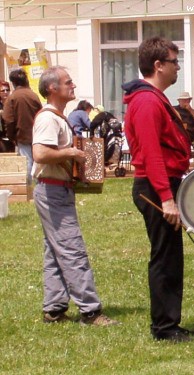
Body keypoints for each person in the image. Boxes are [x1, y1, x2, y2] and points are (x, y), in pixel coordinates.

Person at [32, 66, 119, 326]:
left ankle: (54, 308)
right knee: (72, 249)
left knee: (55, 250)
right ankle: (90, 312)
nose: (73, 86)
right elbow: (40, 154)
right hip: (52, 189)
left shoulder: (59, 117)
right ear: (52, 88)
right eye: (68, 82)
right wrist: (72, 153)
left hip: (56, 189)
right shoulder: (48, 118)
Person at [122, 37, 193, 342]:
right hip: (154, 187)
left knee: (171, 257)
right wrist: (166, 198)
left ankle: (169, 322)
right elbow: (151, 153)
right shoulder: (148, 101)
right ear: (158, 65)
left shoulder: (153, 97)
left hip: (161, 184)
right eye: (174, 61)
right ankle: (164, 328)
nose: (178, 67)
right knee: (164, 258)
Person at [2, 68, 43, 183]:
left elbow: (8, 120)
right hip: (37, 134)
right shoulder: (33, 95)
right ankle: (38, 183)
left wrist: (11, 137)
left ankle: (28, 186)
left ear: (13, 82)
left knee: (26, 161)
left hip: (22, 135)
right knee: (36, 162)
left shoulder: (12, 97)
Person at [0, 80, 15, 153]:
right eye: (3, 90)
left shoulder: (12, 103)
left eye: (7, 90)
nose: (5, 92)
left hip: (12, 138)